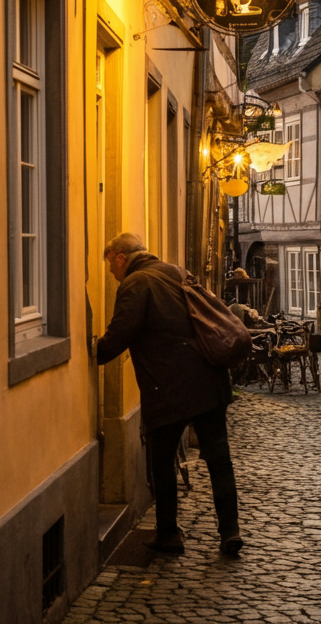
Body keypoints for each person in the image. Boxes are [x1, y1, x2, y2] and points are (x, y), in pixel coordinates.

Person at [95, 233, 244, 556]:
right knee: (219, 460)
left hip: (168, 388)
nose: (111, 273)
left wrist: (97, 350)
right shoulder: (176, 272)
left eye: (110, 265)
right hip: (209, 380)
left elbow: (122, 331)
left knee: (161, 462)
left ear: (121, 258)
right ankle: (230, 531)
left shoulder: (135, 284)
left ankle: (168, 533)